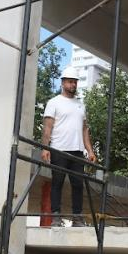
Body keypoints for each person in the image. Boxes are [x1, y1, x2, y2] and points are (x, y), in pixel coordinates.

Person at [40, 66, 97, 227]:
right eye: (70, 82)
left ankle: (77, 218)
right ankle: (56, 217)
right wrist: (45, 148)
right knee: (57, 182)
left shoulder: (80, 105)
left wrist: (90, 151)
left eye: (75, 82)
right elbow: (47, 127)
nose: (73, 85)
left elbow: (84, 129)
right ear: (63, 82)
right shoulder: (54, 102)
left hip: (77, 151)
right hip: (59, 149)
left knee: (78, 184)